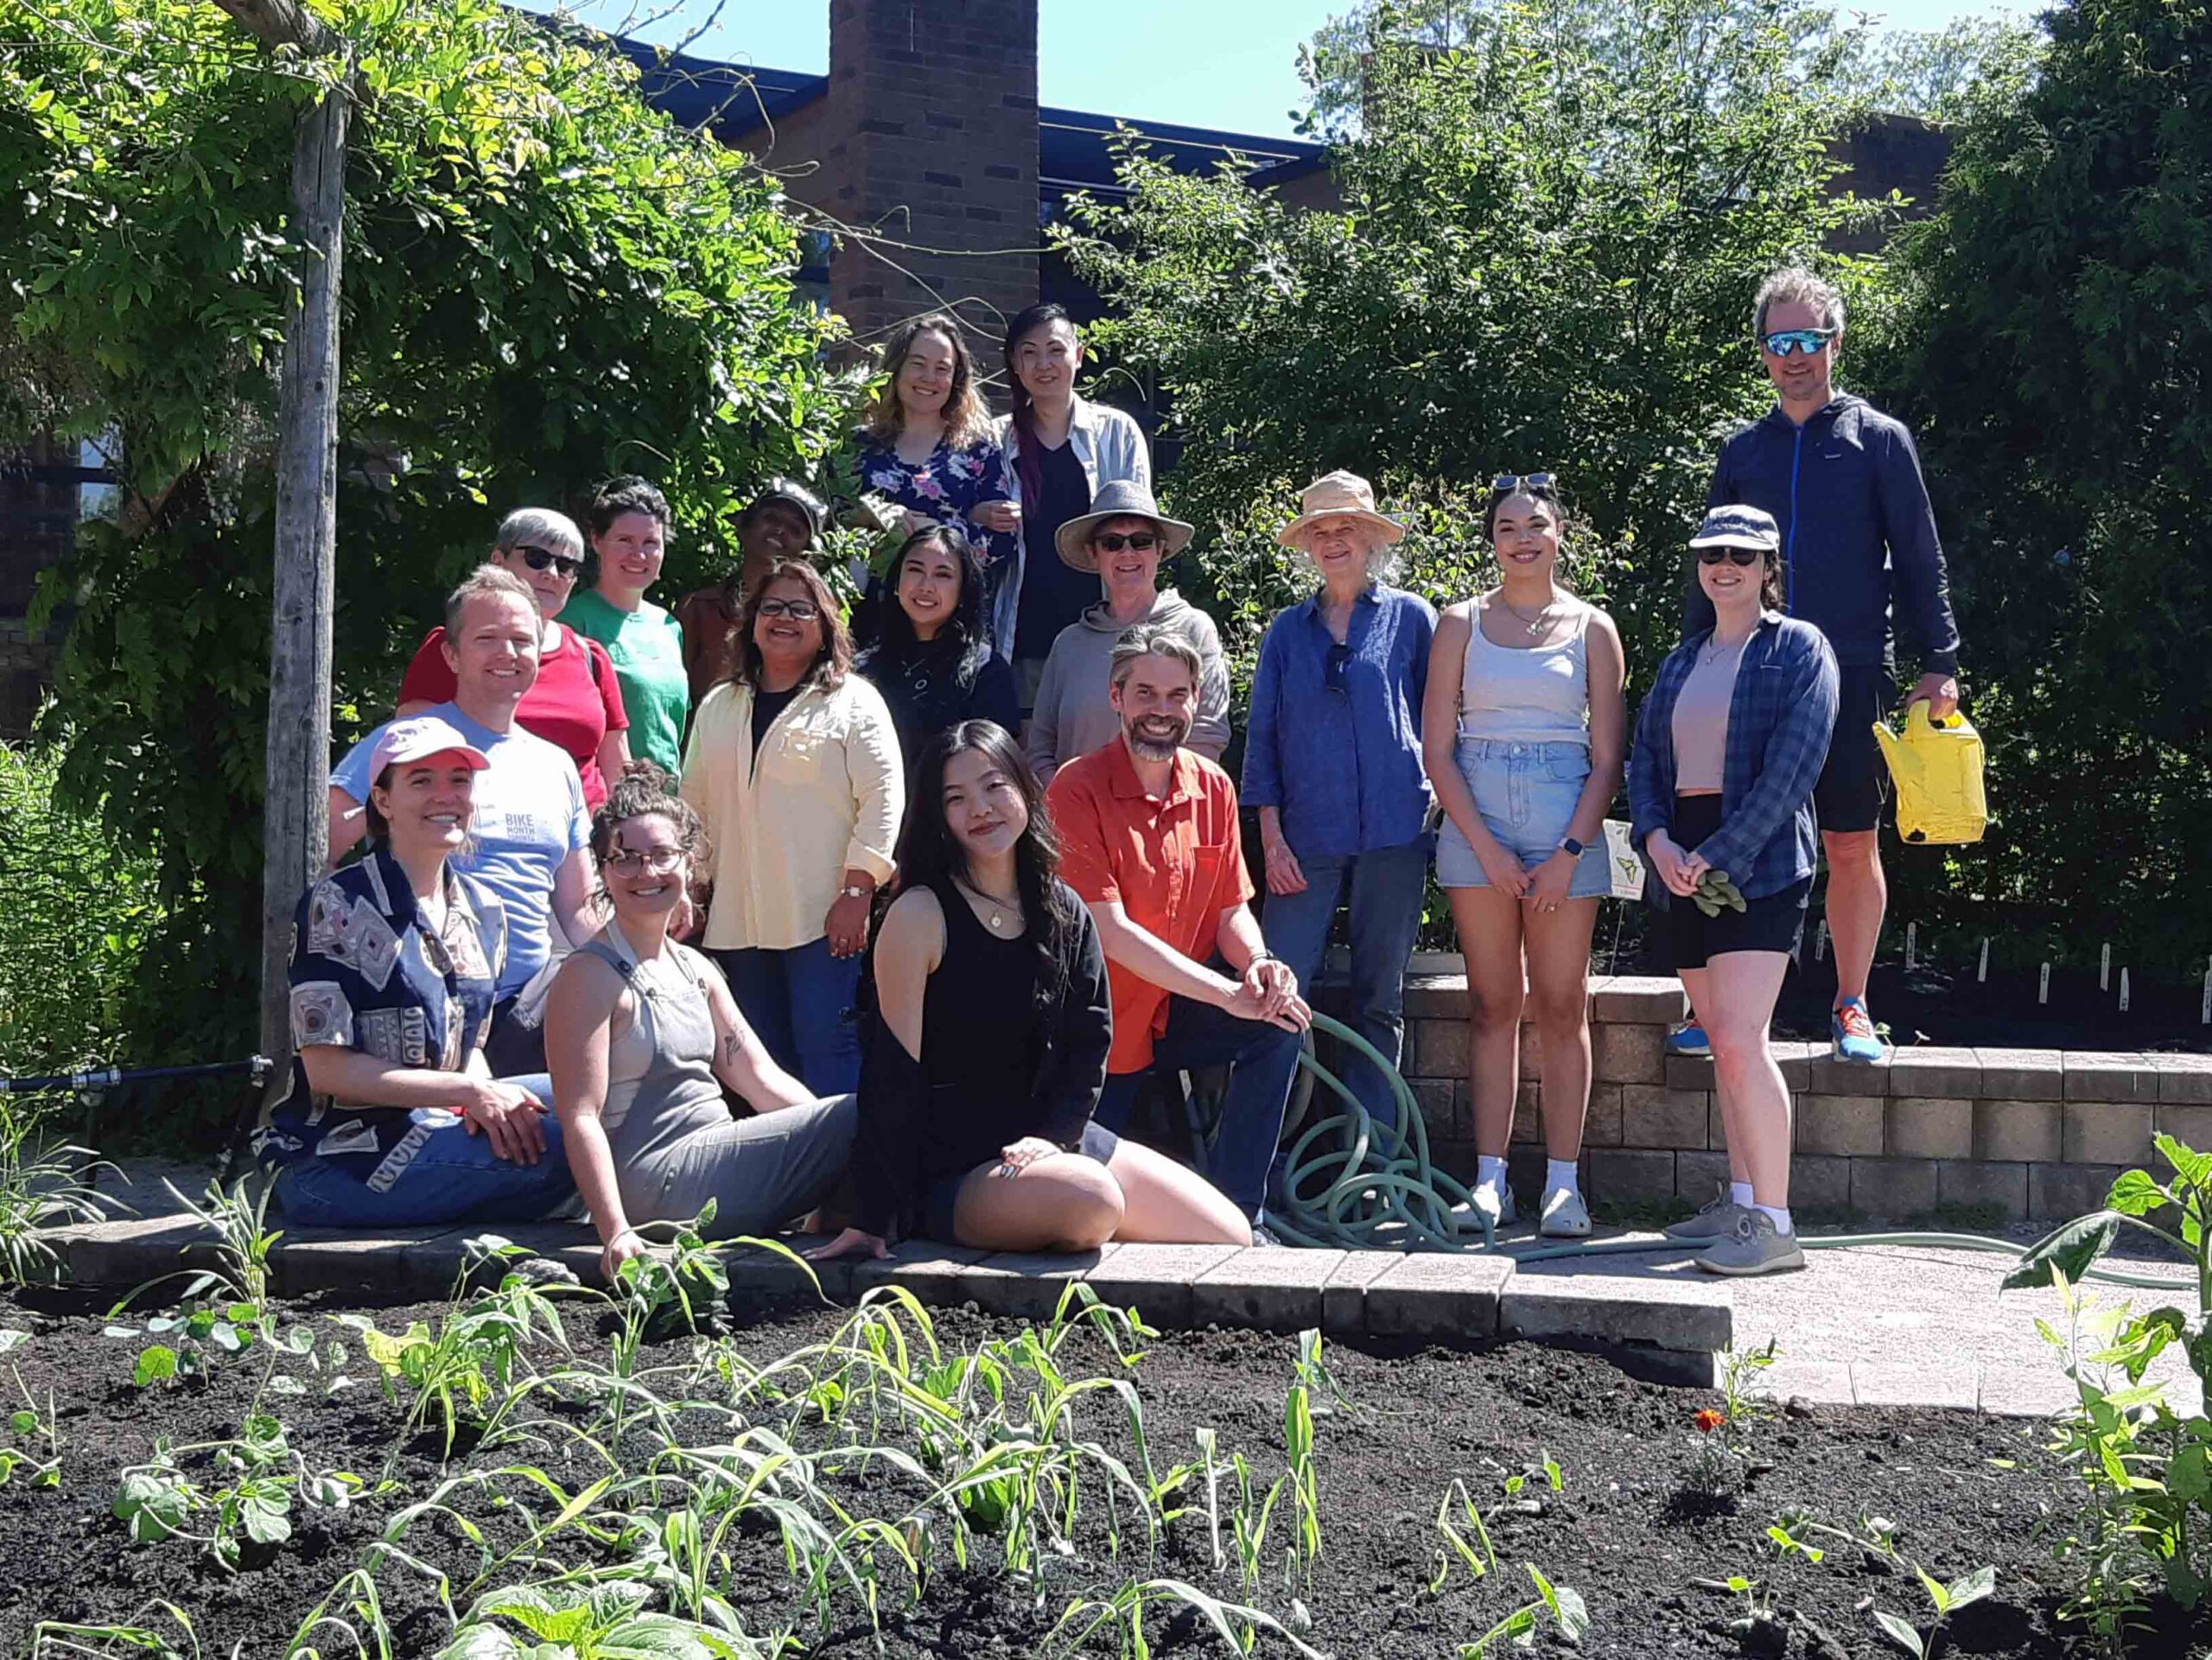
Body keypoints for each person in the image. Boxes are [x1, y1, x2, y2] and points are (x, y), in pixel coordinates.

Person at [810, 722, 1250, 1261]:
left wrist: (1054, 1139)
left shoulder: (1065, 909)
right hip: (957, 1165)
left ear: (1023, 787)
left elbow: (1089, 1045)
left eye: (994, 786)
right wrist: (871, 1213)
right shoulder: (919, 914)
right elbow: (891, 1072)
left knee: (1231, 1236)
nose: (980, 809)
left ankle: (1054, 1200)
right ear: (938, 817)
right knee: (1092, 1201)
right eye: (956, 798)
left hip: (1047, 1144)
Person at [1696, 264, 1963, 1065]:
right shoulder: (1743, 451)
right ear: (1763, 353)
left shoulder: (1879, 440)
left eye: (1809, 339)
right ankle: (1725, 1007)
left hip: (1852, 668)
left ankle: (1853, 1005)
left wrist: (1940, 660)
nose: (1795, 357)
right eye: (1780, 342)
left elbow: (1920, 557)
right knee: (1735, 836)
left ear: (1836, 343)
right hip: (1752, 669)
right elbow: (1710, 562)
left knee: (1850, 841)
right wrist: (1695, 657)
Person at [256, 716, 575, 1226]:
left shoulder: (485, 910)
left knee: (606, 1104)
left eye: (459, 780)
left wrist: (489, 1105)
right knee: (570, 1148)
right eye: (422, 781)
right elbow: (328, 1072)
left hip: (442, 1121)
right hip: (341, 1158)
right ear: (383, 801)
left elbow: (468, 1050)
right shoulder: (336, 904)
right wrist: (469, 1095)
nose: (445, 795)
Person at [544, 767, 858, 1283]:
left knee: (874, 1118)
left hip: (716, 1159)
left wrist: (835, 1136)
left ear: (689, 863)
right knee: (866, 1110)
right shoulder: (589, 975)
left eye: (661, 855)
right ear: (604, 872)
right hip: (657, 1185)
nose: (646, 872)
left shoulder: (695, 968)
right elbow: (581, 1116)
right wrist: (615, 1232)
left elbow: (762, 1080)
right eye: (626, 858)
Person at [1046, 626, 1310, 1235]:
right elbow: (1110, 932)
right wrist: (1226, 993)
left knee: (1281, 1022)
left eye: (1176, 695)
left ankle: (1241, 1215)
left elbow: (1229, 909)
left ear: (1196, 700)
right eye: (1145, 693)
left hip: (1179, 1008)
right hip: (1100, 1025)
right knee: (1079, 1196)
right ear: (1116, 697)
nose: (1161, 710)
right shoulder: (1074, 788)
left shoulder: (1214, 785)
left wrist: (1257, 965)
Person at [1634, 506, 1838, 1276]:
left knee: (1742, 1038)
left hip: (1761, 860)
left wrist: (1715, 854)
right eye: (1712, 553)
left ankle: (1776, 1227)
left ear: (1768, 568)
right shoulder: (1680, 661)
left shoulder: (1800, 648)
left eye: (1742, 556)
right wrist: (1657, 842)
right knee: (1721, 1037)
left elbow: (1792, 770)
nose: (1725, 565)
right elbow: (1646, 762)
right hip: (1681, 857)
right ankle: (1745, 1199)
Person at [1422, 475, 1627, 1237]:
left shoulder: (1593, 628)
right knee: (1492, 1003)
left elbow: (1608, 758)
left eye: (1536, 523)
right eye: (1507, 526)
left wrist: (1570, 851)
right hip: (1476, 816)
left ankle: (1564, 1187)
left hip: (1563, 812)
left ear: (1560, 533)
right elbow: (1437, 749)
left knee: (1563, 1002)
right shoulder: (1459, 623)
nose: (1522, 538)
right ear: (1492, 540)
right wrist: (1486, 848)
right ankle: (1490, 1180)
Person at [331, 566, 595, 1073]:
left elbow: (579, 909)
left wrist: (644, 962)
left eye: (522, 640)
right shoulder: (408, 744)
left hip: (525, 1009)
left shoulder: (556, 765)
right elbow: (320, 848)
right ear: (452, 655)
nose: (507, 653)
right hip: (421, 1008)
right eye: (487, 639)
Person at [1243, 471, 1435, 1142]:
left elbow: (1443, 720)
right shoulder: (1286, 632)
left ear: (1370, 539)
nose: (1333, 540)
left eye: (1345, 528)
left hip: (1395, 831)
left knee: (1379, 998)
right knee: (1277, 991)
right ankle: (1263, 1159)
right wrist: (1271, 839)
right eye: (1320, 531)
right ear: (1307, 546)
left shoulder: (1412, 619)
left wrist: (1440, 803)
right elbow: (1262, 739)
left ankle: (1372, 1160)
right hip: (1305, 839)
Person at [680, 557, 903, 1096]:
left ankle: (843, 1151)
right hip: (737, 919)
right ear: (752, 621)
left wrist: (858, 890)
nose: (784, 618)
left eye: (801, 610)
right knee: (758, 1057)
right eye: (772, 607)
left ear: (825, 626)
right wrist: (694, 887)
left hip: (823, 919)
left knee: (826, 1047)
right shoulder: (720, 703)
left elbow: (883, 798)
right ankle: (780, 1152)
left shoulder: (853, 701)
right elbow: (694, 803)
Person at [395, 508, 631, 811]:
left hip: (586, 828)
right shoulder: (453, 649)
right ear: (498, 561)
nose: (551, 573)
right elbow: (409, 752)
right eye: (537, 558)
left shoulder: (592, 657)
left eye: (565, 566)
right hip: (485, 822)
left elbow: (617, 772)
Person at [993, 303, 1153, 709]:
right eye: (1029, 353)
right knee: (1029, 745)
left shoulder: (1117, 433)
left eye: (1055, 350)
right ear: (1015, 364)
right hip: (1022, 638)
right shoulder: (995, 441)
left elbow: (1141, 535)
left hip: (1104, 635)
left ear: (1078, 355)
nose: (1044, 364)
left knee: (1102, 741)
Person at [1026, 480, 1230, 785]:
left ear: (1160, 550)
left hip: (1167, 809)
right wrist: (1065, 799)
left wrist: (1154, 802)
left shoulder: (1194, 629)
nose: (1127, 552)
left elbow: (1207, 737)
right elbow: (1040, 745)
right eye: (1112, 543)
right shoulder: (1068, 643)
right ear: (1093, 553)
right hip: (1076, 811)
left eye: (1141, 541)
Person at [855, 313, 1018, 605]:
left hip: (947, 613)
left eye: (942, 369)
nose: (929, 378)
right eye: (918, 364)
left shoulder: (979, 451)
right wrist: (864, 517)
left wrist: (937, 530)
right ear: (896, 369)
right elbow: (824, 522)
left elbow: (1002, 543)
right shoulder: (858, 446)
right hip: (867, 609)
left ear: (956, 380)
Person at [854, 525, 1020, 770]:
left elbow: (995, 768)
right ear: (896, 581)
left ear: (964, 589)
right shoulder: (862, 669)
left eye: (943, 575)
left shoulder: (987, 671)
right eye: (915, 570)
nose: (926, 586)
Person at [565, 475, 691, 775]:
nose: (639, 555)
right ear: (597, 541)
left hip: (666, 795)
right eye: (625, 541)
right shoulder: (573, 621)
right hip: (606, 794)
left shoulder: (669, 626)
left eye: (651, 543)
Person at [673, 480, 827, 701]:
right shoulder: (698, 609)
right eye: (770, 518)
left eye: (795, 529)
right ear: (743, 527)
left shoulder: (814, 623)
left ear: (807, 553)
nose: (780, 530)